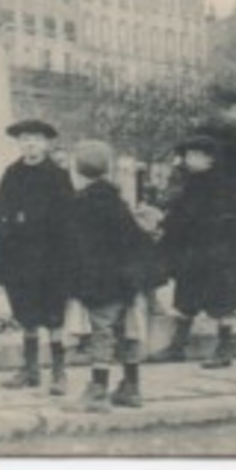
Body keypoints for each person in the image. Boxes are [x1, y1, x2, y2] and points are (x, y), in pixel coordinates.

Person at [0, 118, 76, 396]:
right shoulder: (12, 173)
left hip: (50, 261)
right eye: (24, 139)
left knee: (54, 317)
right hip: (19, 260)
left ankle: (59, 373)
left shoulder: (57, 176)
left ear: (46, 143)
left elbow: (68, 221)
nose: (29, 144)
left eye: (35, 139)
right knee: (26, 314)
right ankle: (30, 370)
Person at [63, 140, 163, 412]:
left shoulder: (81, 203)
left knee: (101, 333)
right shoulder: (117, 201)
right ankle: (131, 388)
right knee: (129, 331)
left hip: (100, 283)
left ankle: (97, 391)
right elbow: (135, 241)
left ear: (77, 171)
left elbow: (78, 248)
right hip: (128, 282)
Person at [153, 134, 236, 368]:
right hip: (195, 255)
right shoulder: (191, 182)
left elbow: (229, 220)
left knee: (222, 303)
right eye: (187, 155)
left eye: (195, 155)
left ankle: (225, 348)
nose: (188, 159)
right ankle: (178, 346)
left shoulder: (223, 185)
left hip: (218, 256)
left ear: (211, 159)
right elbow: (181, 215)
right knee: (186, 300)